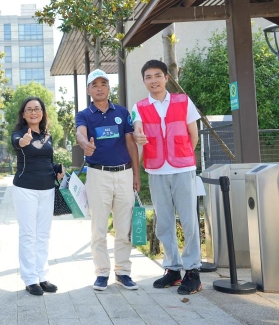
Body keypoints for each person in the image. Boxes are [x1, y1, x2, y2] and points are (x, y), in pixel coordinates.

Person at [132, 59, 202, 295]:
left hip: (182, 169)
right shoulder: (139, 106)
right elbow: (137, 129)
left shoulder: (183, 101)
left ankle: (192, 271)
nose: (153, 80)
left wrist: (181, 157)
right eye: (148, 77)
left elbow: (194, 136)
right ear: (144, 81)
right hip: (156, 170)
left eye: (157, 76)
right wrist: (139, 137)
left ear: (166, 78)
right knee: (164, 222)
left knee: (189, 220)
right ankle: (173, 269)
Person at [76, 69, 140, 291]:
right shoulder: (84, 114)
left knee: (124, 227)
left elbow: (131, 144)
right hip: (97, 175)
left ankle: (123, 271)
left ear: (109, 87)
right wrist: (85, 144)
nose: (100, 87)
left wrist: (136, 175)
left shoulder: (122, 112)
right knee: (99, 228)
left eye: (104, 83)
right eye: (95, 84)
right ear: (88, 90)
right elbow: (80, 133)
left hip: (124, 174)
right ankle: (101, 273)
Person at [11, 97, 63, 296]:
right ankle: (30, 279)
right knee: (28, 234)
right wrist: (23, 141)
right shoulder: (18, 134)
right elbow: (17, 143)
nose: (34, 112)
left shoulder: (47, 136)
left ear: (42, 112)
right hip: (25, 189)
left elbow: (47, 161)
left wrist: (57, 168)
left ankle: (42, 276)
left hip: (47, 189)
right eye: (29, 109)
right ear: (23, 114)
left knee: (43, 234)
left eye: (37, 109)